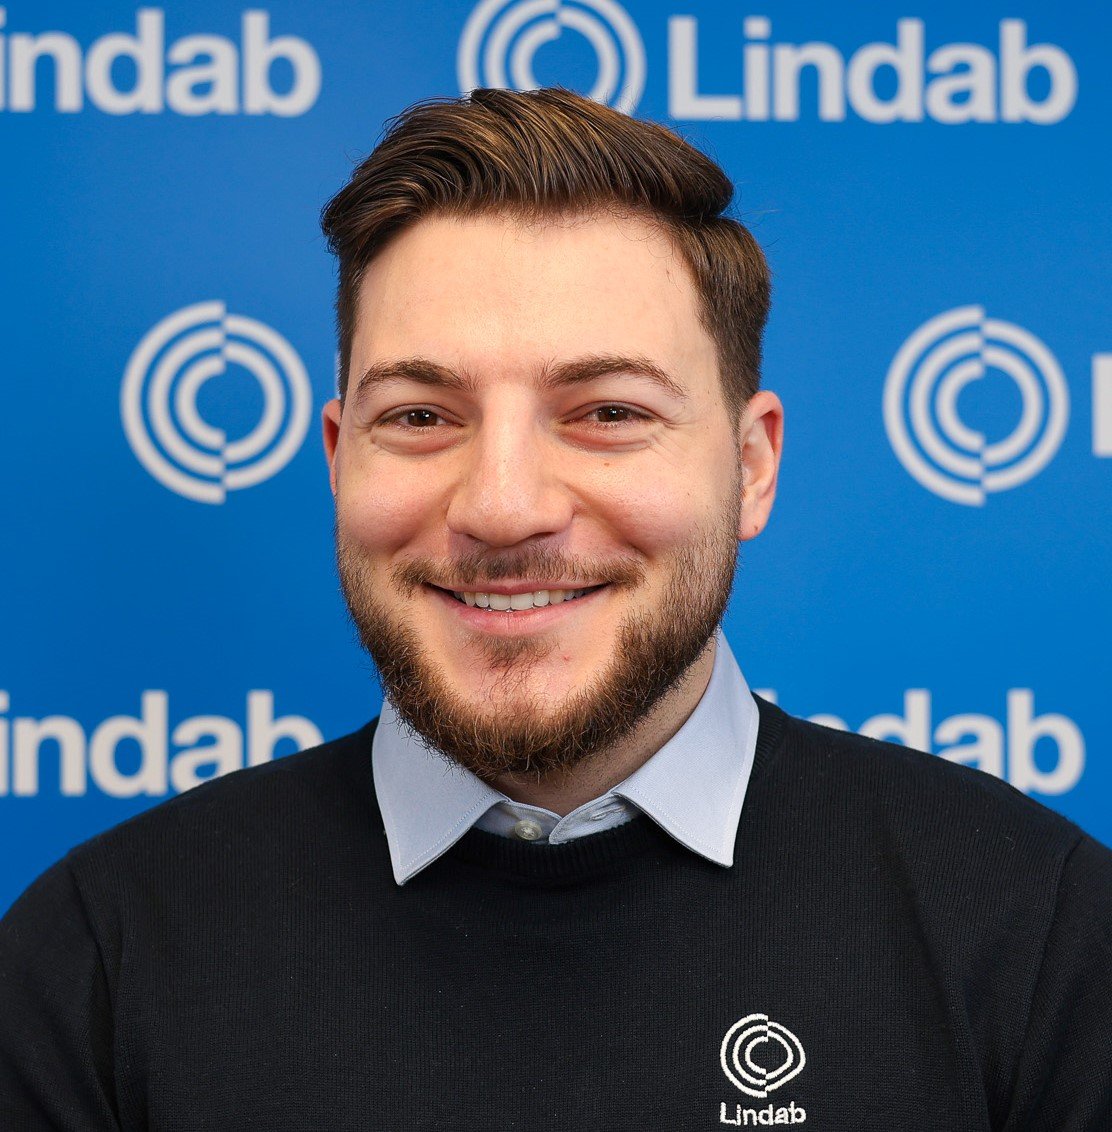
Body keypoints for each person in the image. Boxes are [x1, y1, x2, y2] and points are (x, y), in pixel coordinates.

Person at [1, 87, 1110, 1131]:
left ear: (751, 466)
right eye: (421, 416)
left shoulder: (1037, 933)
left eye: (607, 412)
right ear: (338, 460)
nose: (501, 507)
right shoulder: (96, 961)